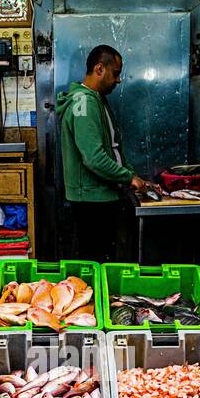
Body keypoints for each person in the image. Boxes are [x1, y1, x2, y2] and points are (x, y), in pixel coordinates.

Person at [57, 44, 151, 260]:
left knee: (101, 260)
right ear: (99, 69)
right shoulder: (85, 103)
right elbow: (94, 158)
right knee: (95, 262)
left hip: (101, 197)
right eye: (115, 73)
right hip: (91, 201)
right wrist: (128, 177)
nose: (118, 80)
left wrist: (131, 175)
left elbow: (113, 148)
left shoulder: (97, 100)